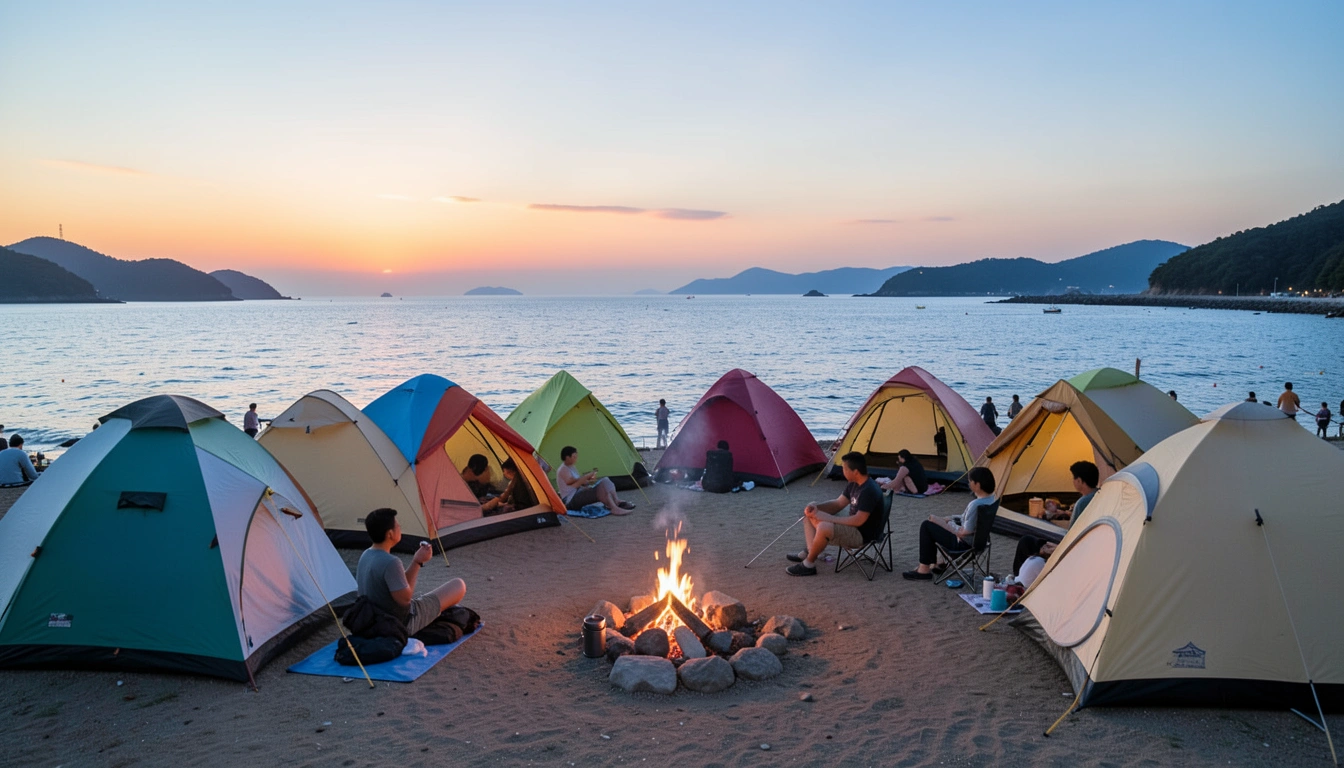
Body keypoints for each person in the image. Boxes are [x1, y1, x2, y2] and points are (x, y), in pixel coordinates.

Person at [357, 508, 466, 636]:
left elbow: (399, 586)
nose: (400, 528)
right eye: (398, 526)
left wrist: (416, 560)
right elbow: (406, 600)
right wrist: (418, 563)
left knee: (432, 596)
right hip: (401, 623)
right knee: (458, 585)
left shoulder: (366, 554)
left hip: (373, 620)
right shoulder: (391, 562)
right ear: (390, 534)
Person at [785, 452, 884, 577]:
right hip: (853, 528)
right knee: (810, 515)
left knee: (824, 526)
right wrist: (817, 508)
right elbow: (838, 504)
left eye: (844, 468)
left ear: (855, 471)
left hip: (862, 534)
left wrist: (828, 518)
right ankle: (810, 552)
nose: (842, 471)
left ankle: (808, 564)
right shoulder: (854, 483)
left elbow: (859, 520)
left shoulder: (868, 490)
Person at [902, 466, 997, 580]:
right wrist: (949, 518)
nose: (968, 483)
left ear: (977, 485)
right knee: (936, 524)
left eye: (970, 481)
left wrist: (943, 523)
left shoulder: (975, 505)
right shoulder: (992, 500)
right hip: (980, 543)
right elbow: (965, 519)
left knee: (926, 526)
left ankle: (924, 570)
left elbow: (964, 532)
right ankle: (939, 563)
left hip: (963, 545)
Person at [555, 445, 635, 514]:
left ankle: (616, 501)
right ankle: (614, 508)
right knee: (600, 487)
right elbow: (572, 483)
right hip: (570, 500)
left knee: (605, 480)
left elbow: (578, 481)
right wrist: (586, 477)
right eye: (574, 457)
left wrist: (588, 481)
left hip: (576, 493)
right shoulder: (563, 469)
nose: (576, 458)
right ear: (567, 457)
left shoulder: (572, 467)